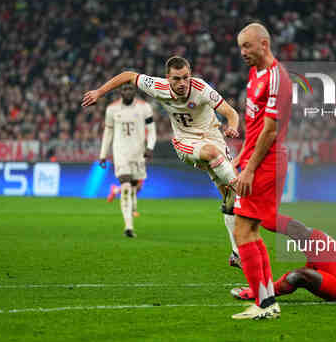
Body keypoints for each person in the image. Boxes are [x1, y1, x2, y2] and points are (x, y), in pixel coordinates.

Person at [82, 56, 241, 259]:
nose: (182, 83)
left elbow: (230, 112)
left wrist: (233, 127)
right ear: (168, 78)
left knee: (230, 198)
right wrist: (99, 92)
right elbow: (128, 76)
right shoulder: (158, 86)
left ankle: (236, 253)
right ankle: (242, 186)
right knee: (217, 160)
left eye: (185, 77)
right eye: (176, 79)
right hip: (186, 141)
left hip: (214, 137)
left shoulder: (201, 89)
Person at [230, 23, 293, 320]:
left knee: (242, 231)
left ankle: (265, 305)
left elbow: (269, 131)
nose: (243, 52)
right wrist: (240, 156)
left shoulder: (277, 77)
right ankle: (267, 302)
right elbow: (254, 125)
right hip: (255, 159)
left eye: (247, 46)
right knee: (251, 231)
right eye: (240, 47)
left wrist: (250, 169)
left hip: (266, 163)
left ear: (264, 44)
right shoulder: (255, 74)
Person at [98, 84, 156, 237]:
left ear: (135, 91)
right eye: (124, 89)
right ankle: (128, 227)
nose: (128, 92)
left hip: (139, 153)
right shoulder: (111, 109)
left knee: (135, 187)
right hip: (120, 153)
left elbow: (151, 130)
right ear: (120, 92)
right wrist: (103, 154)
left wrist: (150, 147)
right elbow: (108, 132)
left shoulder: (145, 107)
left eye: (130, 89)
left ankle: (128, 202)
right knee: (125, 186)